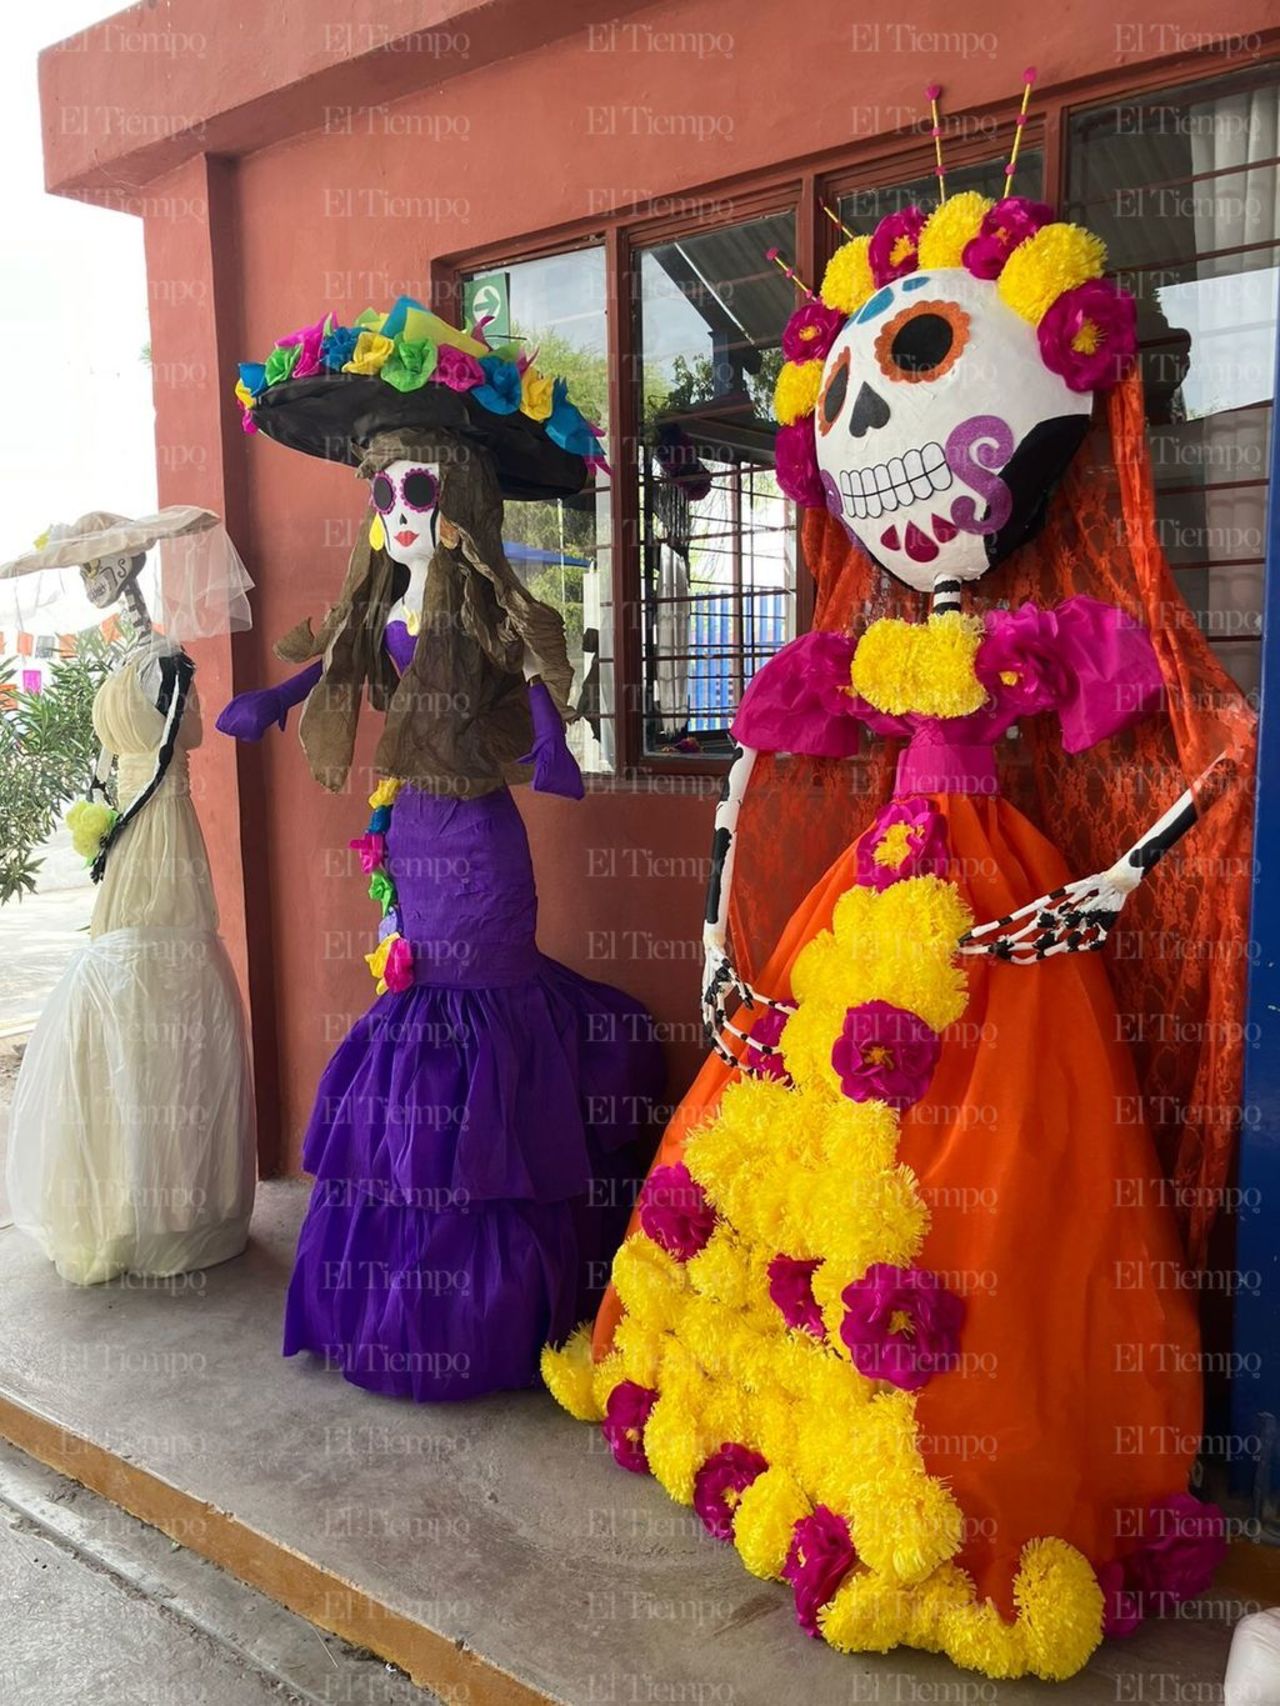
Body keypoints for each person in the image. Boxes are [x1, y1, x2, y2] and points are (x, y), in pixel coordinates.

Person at [545, 164, 1252, 1680]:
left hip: (1001, 892)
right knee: (818, 1143)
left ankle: (968, 1456)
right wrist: (726, 944)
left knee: (1007, 1173)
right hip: (871, 891)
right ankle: (820, 1424)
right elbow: (747, 781)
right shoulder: (853, 653)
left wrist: (1110, 888)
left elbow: (1190, 758)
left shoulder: (1043, 641)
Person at [222, 301, 664, 1400]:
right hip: (408, 827)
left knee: (475, 1025)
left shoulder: (476, 593)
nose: (398, 509)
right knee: (414, 1016)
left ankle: (495, 1313)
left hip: (478, 836)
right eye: (384, 490)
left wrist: (559, 744)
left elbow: (532, 650)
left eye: (417, 488)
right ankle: (399, 1305)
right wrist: (275, 697)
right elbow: (334, 655)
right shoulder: (384, 592)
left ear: (455, 494)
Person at [1, 508, 256, 1284]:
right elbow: (120, 760)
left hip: (161, 830)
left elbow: (185, 745)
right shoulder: (128, 662)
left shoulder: (166, 660)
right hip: (132, 832)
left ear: (127, 570)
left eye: (99, 572)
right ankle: (133, 1198)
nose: (93, 585)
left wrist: (118, 825)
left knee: (166, 982)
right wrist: (101, 824)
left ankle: (179, 1201)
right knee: (129, 991)